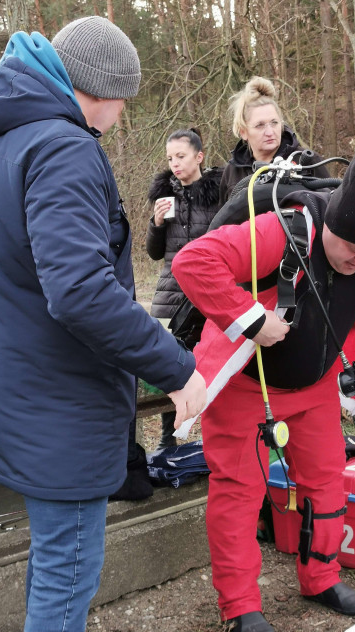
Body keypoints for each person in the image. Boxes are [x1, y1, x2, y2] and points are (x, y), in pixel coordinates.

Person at [0, 16, 206, 632]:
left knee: (53, 564)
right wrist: (177, 368)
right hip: (56, 402)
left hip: (14, 391)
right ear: (92, 89)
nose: (121, 115)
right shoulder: (61, 146)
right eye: (119, 100)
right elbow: (81, 292)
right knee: (68, 575)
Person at [173, 151, 355, 632]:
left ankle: (322, 577)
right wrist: (249, 317)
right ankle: (240, 605)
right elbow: (193, 261)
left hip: (314, 390)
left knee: (327, 481)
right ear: (333, 221)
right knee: (239, 494)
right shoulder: (283, 232)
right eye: (352, 249)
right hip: (249, 388)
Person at [146, 128, 222, 450]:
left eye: (181, 156)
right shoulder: (165, 197)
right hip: (171, 296)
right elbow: (153, 253)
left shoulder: (219, 194)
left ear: (199, 157)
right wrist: (156, 223)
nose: (174, 164)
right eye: (170, 158)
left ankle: (215, 444)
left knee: (214, 367)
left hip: (208, 292)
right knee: (170, 368)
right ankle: (168, 446)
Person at [219, 75, 330, 206]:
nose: (270, 132)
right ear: (243, 132)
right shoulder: (232, 172)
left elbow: (333, 207)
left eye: (274, 123)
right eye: (260, 125)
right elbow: (223, 222)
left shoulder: (306, 161)